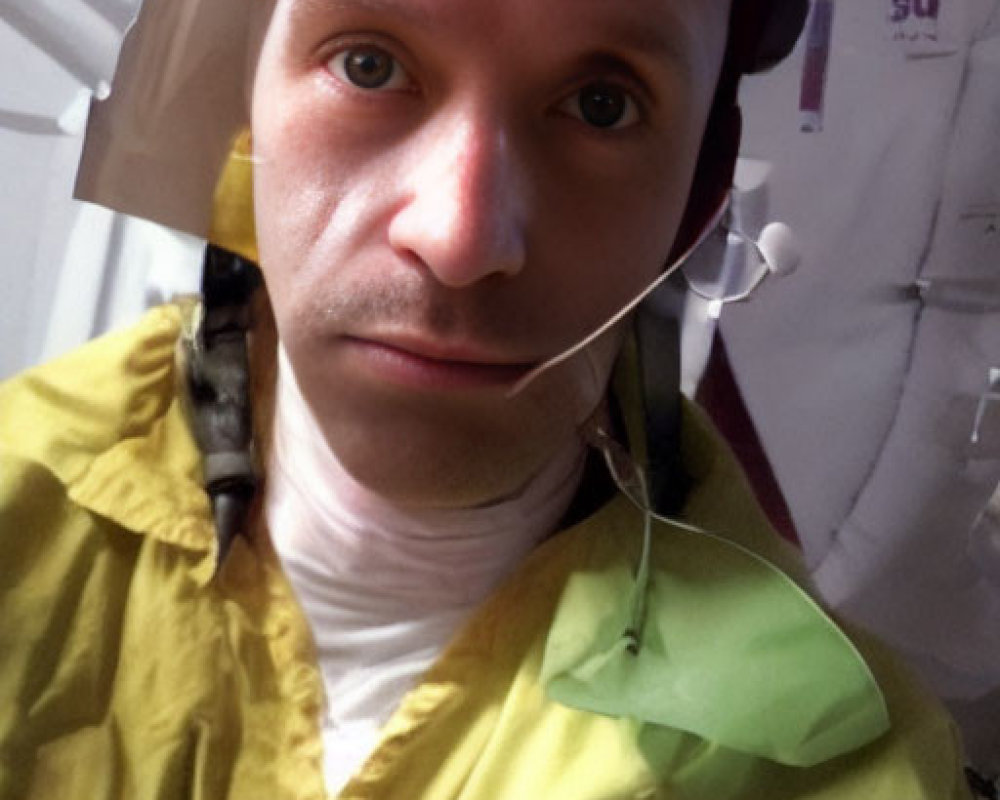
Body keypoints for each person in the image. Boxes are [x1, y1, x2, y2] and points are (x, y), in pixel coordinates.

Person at [0, 0, 974, 798]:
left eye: (600, 104)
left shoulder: (836, 767)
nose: (461, 236)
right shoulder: (17, 508)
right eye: (369, 65)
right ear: (245, 103)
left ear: (695, 201)